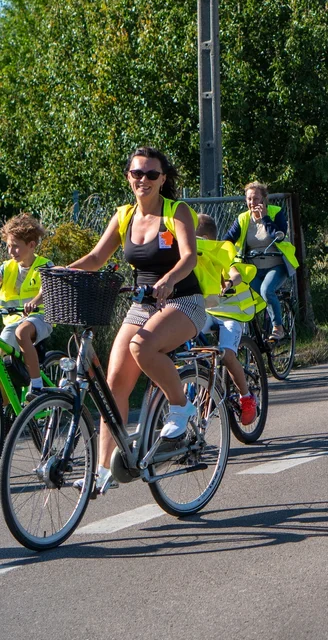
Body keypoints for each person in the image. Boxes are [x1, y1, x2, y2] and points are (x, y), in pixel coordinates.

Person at [69, 147, 206, 495]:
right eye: (136, 173)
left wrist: (170, 278)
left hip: (183, 301)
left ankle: (181, 405)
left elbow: (189, 257)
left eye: (151, 174)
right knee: (112, 386)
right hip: (143, 306)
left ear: (163, 179)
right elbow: (97, 257)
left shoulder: (177, 211)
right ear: (128, 176)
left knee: (141, 346)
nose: (142, 180)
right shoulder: (124, 216)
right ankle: (102, 472)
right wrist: (60, 272)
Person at [195, 214, 258, 426]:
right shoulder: (193, 253)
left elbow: (236, 273)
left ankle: (246, 397)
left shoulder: (223, 249)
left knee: (227, 355)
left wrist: (230, 282)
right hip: (210, 312)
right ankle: (201, 380)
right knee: (187, 340)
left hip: (231, 314)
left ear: (204, 238)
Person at [223, 182, 299, 342]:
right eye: (249, 199)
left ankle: (278, 327)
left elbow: (279, 234)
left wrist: (264, 217)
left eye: (256, 199)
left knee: (266, 291)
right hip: (253, 268)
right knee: (252, 298)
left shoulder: (276, 213)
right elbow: (228, 239)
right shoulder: (243, 219)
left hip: (277, 265)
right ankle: (256, 338)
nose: (252, 203)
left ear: (264, 200)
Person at [0, 214, 53, 393]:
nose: (10, 251)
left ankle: (36, 384)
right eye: (8, 246)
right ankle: (9, 410)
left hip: (40, 318)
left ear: (31, 245)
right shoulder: (6, 268)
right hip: (12, 321)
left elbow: (47, 289)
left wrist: (34, 302)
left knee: (21, 332)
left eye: (15, 246)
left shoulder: (44, 265)